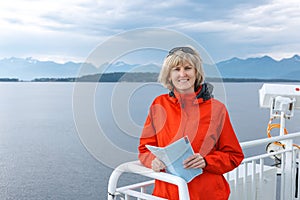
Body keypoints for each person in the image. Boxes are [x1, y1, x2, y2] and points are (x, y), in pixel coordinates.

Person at [138, 46, 244, 200]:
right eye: (176, 69)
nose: (182, 74)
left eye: (188, 68)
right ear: (169, 75)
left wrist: (206, 161)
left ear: (196, 73)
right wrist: (152, 161)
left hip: (208, 194)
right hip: (167, 194)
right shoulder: (158, 105)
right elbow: (144, 149)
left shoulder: (217, 109)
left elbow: (234, 155)